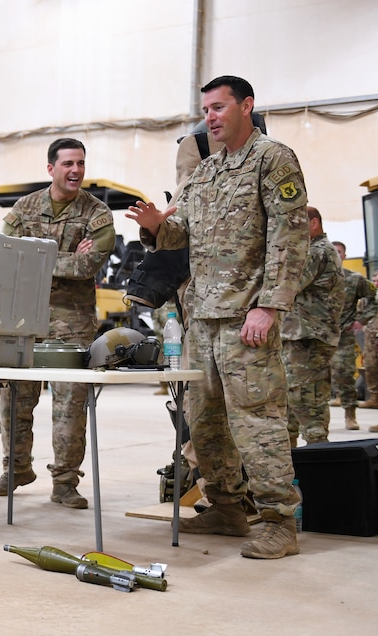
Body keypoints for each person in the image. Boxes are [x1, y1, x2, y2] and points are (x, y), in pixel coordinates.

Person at [127, 75, 307, 559]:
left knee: (257, 421)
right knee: (203, 423)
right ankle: (227, 507)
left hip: (246, 317)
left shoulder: (274, 159)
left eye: (219, 107)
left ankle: (278, 520)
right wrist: (156, 227)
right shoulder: (205, 173)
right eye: (206, 109)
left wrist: (269, 305)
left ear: (246, 106)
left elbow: (291, 239)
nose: (210, 116)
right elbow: (180, 231)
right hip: (201, 317)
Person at [0, 138, 115, 509]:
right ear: (51, 169)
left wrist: (36, 258)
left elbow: (91, 265)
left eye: (81, 164)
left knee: (70, 402)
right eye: (68, 164)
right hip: (24, 317)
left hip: (72, 322)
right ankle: (16, 469)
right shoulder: (24, 208)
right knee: (12, 396)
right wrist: (64, 258)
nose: (75, 170)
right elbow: (3, 257)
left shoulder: (97, 213)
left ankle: (65, 482)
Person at [280, 207, 344, 446]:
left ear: (313, 223)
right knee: (291, 407)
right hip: (301, 337)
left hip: (309, 339)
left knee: (309, 406)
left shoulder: (317, 252)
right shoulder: (313, 250)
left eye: (295, 224)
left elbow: (288, 285)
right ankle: (294, 472)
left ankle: (319, 467)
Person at [329, 241, 376, 428]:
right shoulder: (315, 278)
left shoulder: (354, 279)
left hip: (343, 336)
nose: (335, 255)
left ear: (344, 256)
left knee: (345, 374)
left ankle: (350, 415)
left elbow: (373, 298)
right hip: (317, 335)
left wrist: (360, 320)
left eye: (339, 252)